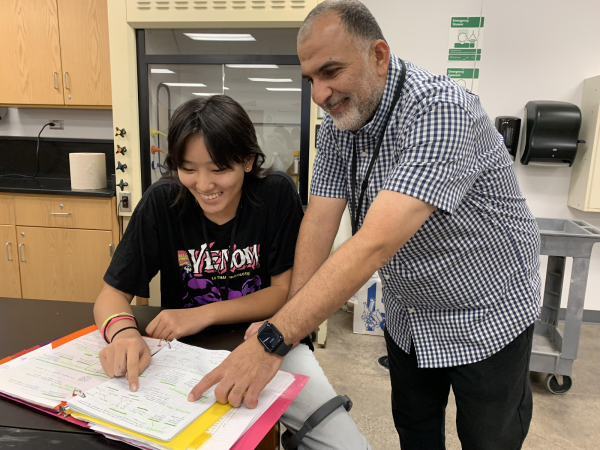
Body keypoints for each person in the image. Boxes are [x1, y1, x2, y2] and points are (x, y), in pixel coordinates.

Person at [188, 2, 541, 450]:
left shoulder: (442, 111)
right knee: (414, 427)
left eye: (330, 71)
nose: (320, 93)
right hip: (410, 310)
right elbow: (319, 217)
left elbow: (373, 243)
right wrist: (289, 330)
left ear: (378, 55)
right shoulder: (339, 120)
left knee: (488, 437)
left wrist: (274, 339)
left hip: (485, 309)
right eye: (310, 79)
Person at [94, 95, 371, 450]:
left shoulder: (274, 195)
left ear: (248, 161)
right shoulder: (162, 202)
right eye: (189, 168)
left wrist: (202, 314)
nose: (204, 185)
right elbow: (111, 295)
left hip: (271, 340)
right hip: (183, 352)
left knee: (343, 444)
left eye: (219, 169)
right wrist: (123, 335)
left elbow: (283, 290)